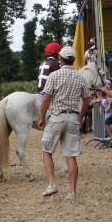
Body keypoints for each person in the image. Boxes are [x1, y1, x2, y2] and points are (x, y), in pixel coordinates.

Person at [37, 46, 90, 201]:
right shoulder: (81, 78)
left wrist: (41, 118)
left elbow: (46, 99)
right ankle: (72, 192)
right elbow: (86, 101)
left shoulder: (54, 75)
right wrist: (80, 117)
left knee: (47, 150)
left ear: (60, 59)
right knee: (71, 155)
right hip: (73, 118)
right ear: (73, 61)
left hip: (56, 117)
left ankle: (52, 183)